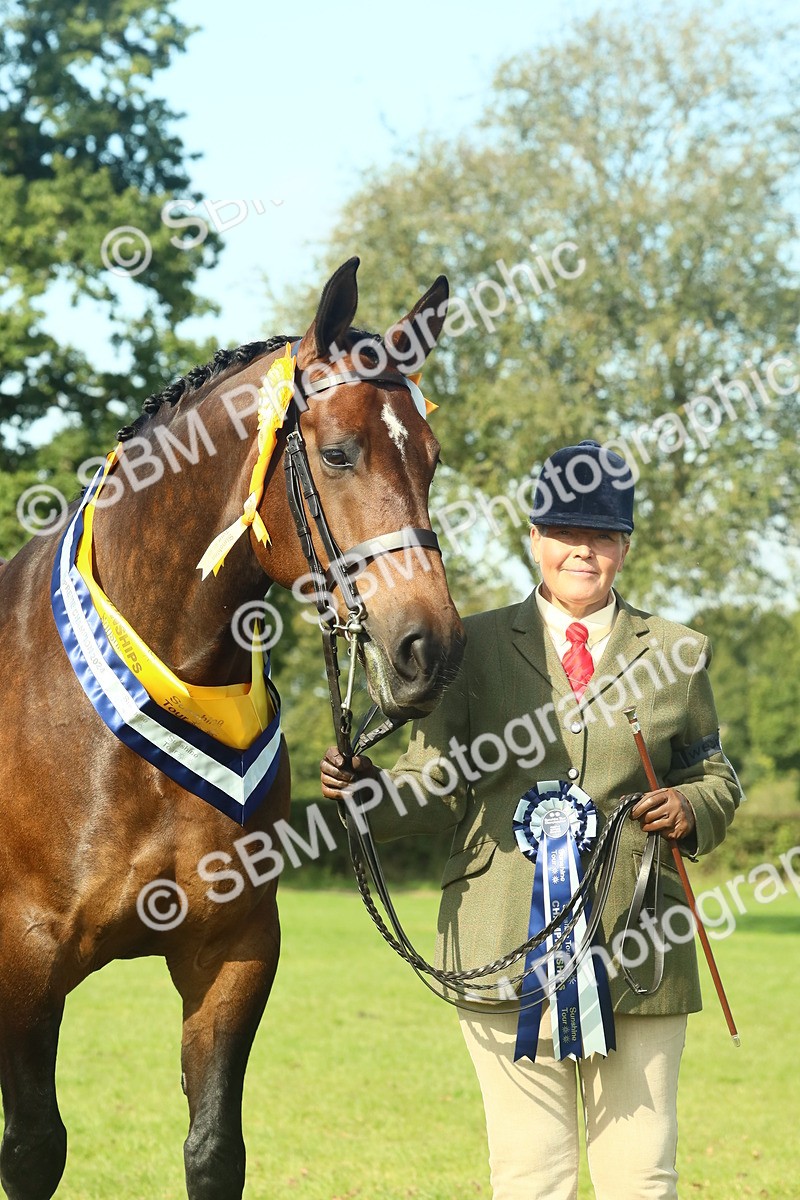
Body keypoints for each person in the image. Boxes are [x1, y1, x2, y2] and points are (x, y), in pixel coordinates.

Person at [320, 438, 741, 1200]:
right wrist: (369, 794)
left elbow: (715, 774)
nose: (583, 552)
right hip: (501, 943)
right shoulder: (469, 647)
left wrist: (692, 805)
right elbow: (437, 785)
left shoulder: (679, 652)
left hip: (640, 943)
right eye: (565, 535)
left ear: (623, 547)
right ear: (534, 541)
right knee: (529, 1174)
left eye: (602, 537)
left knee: (641, 1173)